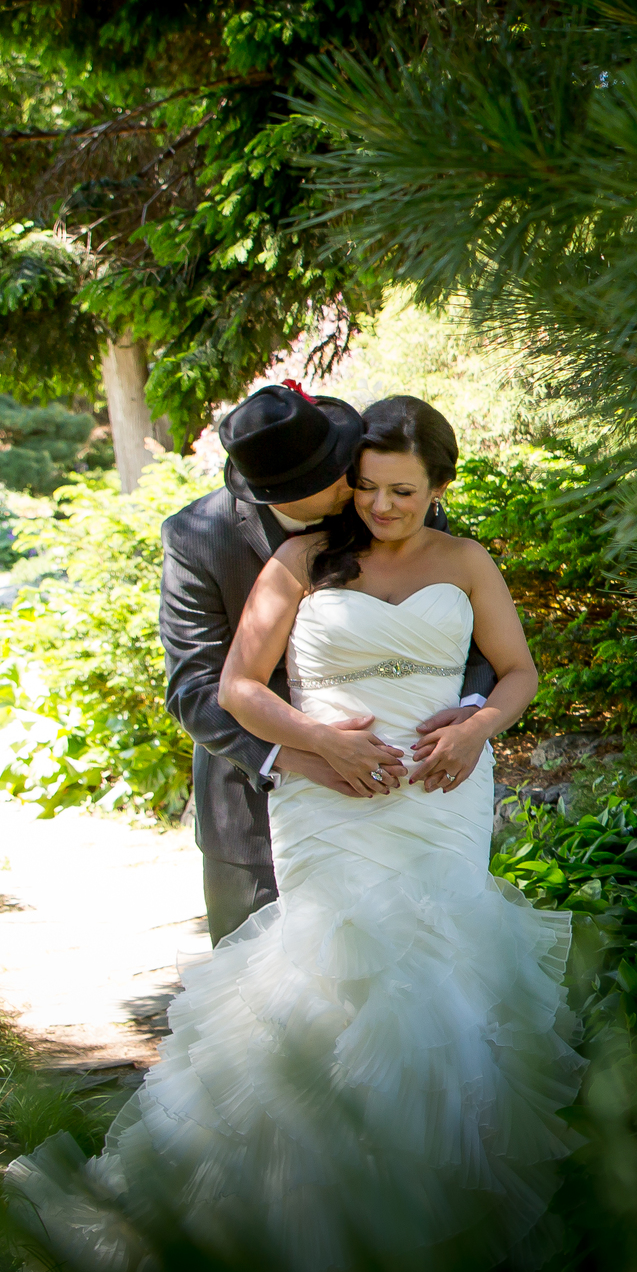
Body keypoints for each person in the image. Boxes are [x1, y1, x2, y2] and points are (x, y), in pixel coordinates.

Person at [7, 396, 583, 1272]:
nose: (377, 505)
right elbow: (224, 684)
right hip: (323, 797)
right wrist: (316, 743)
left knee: (447, 992)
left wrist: (477, 726)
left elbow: (512, 668)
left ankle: (432, 1234)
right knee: (321, 990)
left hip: (439, 800)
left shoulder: (461, 550)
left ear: (434, 484)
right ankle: (287, 1232)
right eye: (364, 490)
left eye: (399, 490)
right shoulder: (294, 556)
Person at [159, 382, 496, 944]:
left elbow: (464, 627)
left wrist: (471, 712)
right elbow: (194, 688)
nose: (363, 491)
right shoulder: (199, 538)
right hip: (256, 796)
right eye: (348, 478)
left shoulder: (386, 503)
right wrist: (298, 753)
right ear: (289, 492)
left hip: (416, 796)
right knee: (267, 998)